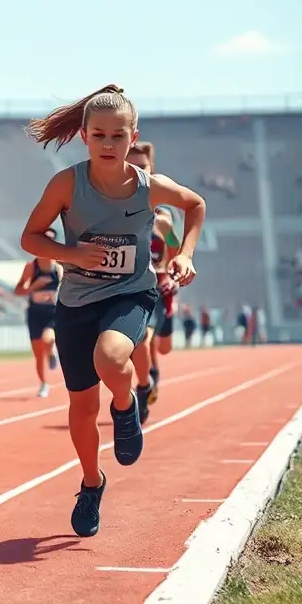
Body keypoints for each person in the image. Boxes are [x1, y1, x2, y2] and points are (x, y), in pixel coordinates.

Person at [20, 84, 206, 538]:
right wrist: (72, 255)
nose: (108, 144)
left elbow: (196, 205)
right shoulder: (67, 183)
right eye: (99, 135)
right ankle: (91, 482)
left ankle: (126, 405)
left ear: (132, 137)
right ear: (84, 135)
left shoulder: (149, 188)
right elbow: (31, 238)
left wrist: (185, 254)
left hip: (131, 293)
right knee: (82, 407)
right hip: (76, 303)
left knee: (111, 357)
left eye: (117, 136)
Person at [125, 141, 181, 412]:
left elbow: (173, 244)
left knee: (163, 346)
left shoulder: (163, 217)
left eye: (143, 167)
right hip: (131, 288)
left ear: (152, 169)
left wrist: (168, 269)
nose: (138, 172)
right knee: (141, 340)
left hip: (160, 288)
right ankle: (144, 385)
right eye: (132, 166)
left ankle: (151, 371)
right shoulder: (114, 209)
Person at [14, 228, 63, 397]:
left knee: (47, 339)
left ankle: (51, 351)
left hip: (52, 313)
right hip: (35, 313)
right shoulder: (31, 267)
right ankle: (43, 383)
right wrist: (35, 286)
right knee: (37, 353)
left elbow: (66, 290)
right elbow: (18, 291)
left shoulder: (58, 268)